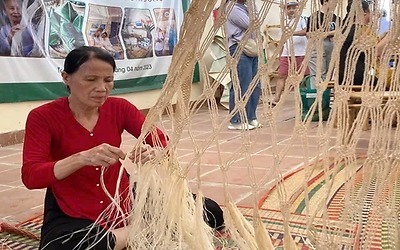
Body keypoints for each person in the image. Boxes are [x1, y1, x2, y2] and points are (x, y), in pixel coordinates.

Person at [21, 46, 224, 249]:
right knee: (67, 246)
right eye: (90, 80)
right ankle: (142, 230)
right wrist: (81, 158)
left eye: (108, 80)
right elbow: (31, 176)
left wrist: (155, 152)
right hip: (72, 206)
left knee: (210, 211)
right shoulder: (43, 117)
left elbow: (162, 142)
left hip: (122, 197)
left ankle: (128, 233)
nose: (101, 88)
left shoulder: (119, 108)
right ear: (66, 78)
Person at [225, 0, 261, 130]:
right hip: (239, 48)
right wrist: (252, 7)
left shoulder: (245, 7)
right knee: (242, 84)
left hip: (251, 47)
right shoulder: (232, 8)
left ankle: (251, 117)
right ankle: (236, 120)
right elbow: (251, 24)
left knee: (255, 85)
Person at [273, 1, 309, 104]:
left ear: (298, 9)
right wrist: (280, 54)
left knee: (304, 77)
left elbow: (305, 31)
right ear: (285, 10)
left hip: (301, 53)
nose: (291, 10)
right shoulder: (284, 23)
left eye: (294, 8)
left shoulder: (303, 19)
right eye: (289, 8)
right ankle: (276, 98)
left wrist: (292, 33)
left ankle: (304, 98)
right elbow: (282, 40)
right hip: (287, 53)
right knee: (281, 75)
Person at [338, 0, 374, 86]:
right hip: (356, 77)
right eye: (370, 11)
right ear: (365, 13)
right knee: (388, 84)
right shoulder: (359, 31)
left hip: (344, 76)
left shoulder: (347, 30)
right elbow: (375, 51)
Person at [306, 0, 339, 88]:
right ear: (325, 1)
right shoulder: (315, 17)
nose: (336, 3)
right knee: (318, 75)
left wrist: (327, 33)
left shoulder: (334, 17)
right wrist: (331, 33)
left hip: (331, 46)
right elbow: (310, 33)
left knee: (327, 75)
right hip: (317, 46)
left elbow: (340, 31)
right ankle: (317, 98)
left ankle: (325, 98)